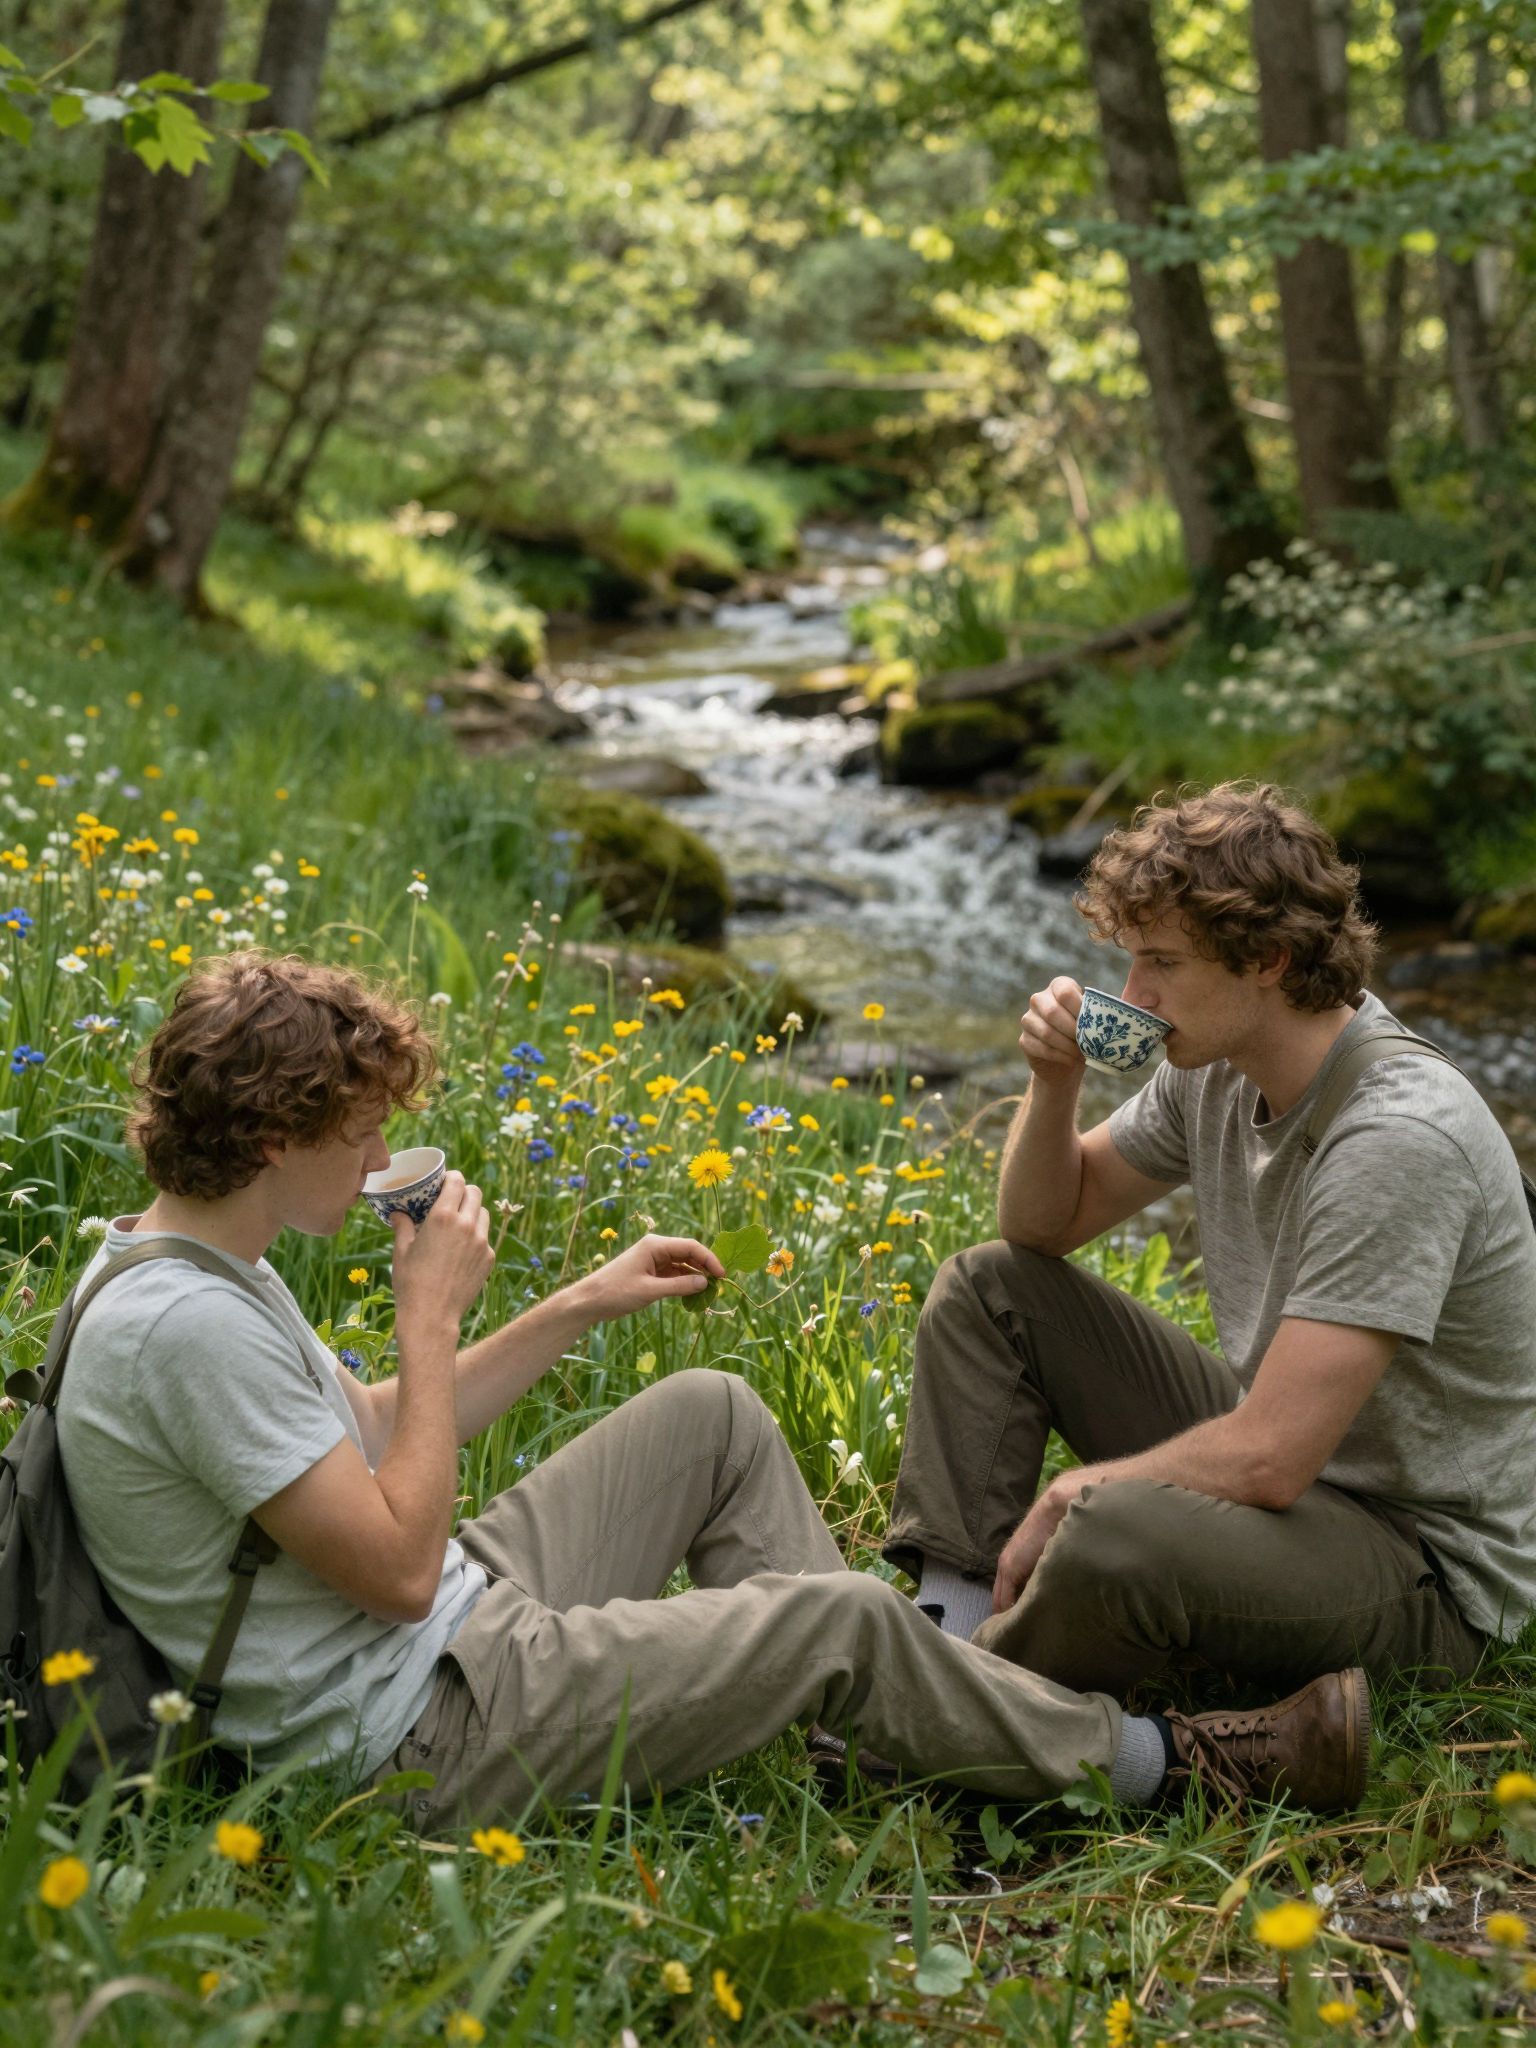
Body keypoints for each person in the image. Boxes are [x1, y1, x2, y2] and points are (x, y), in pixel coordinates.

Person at [58, 949, 1375, 1830]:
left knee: (715, 1417)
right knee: (840, 1623)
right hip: (413, 1731)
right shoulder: (182, 1332)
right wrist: (424, 1311)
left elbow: (388, 1432)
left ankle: (887, 1738)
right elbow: (398, 1570)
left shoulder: (197, 1260)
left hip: (440, 1635)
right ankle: (1176, 1772)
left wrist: (577, 1303)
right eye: (361, 1136)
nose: (382, 1159)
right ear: (277, 1140)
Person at [886, 782, 1536, 1722]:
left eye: (1160, 963)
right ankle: (945, 1623)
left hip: (1427, 1571)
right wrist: (1054, 1084)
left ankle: (945, 1709)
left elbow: (1270, 1457)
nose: (1134, 994)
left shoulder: (1398, 1135)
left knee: (1111, 1532)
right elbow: (1042, 1227)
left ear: (1267, 961)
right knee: (992, 1290)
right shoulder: (1219, 1065)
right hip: (1303, 1482)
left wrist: (1078, 1487)